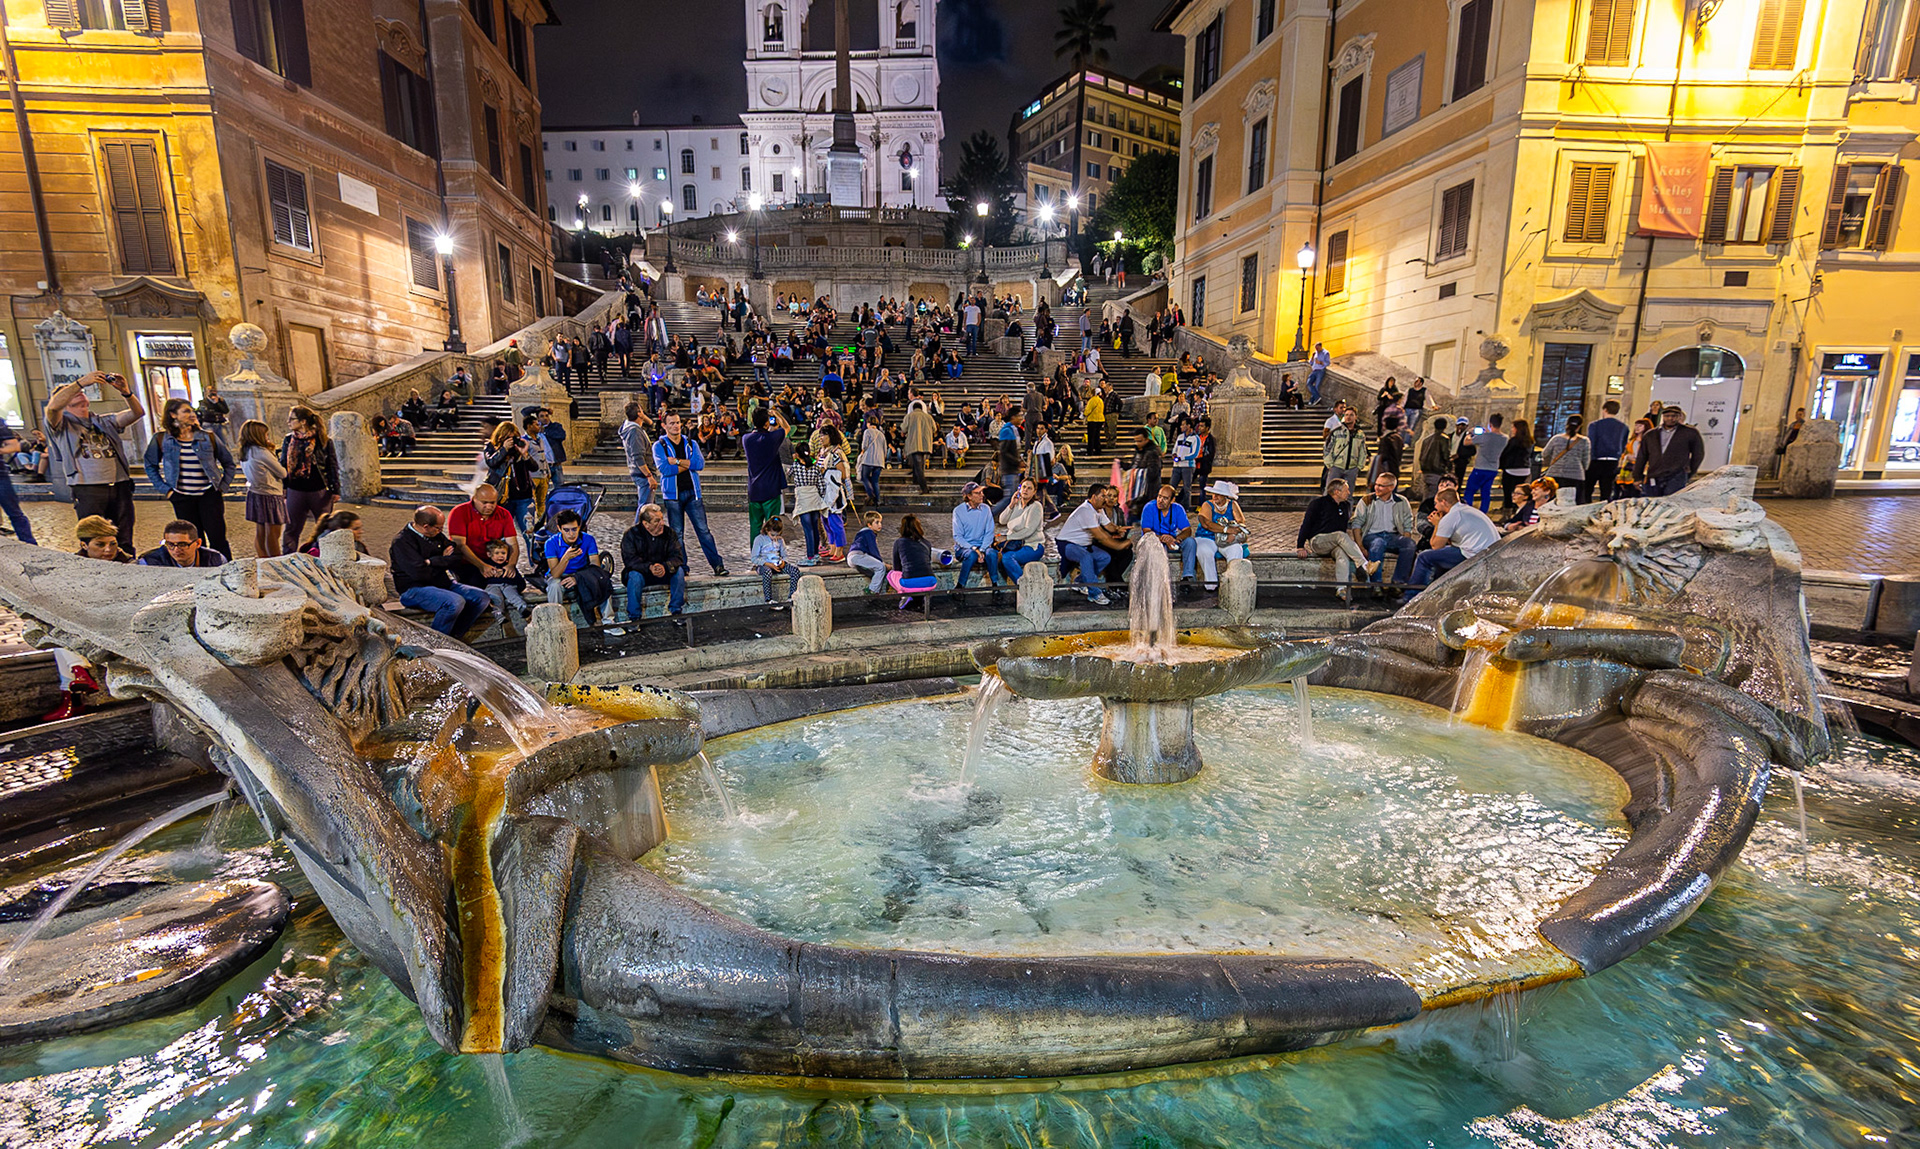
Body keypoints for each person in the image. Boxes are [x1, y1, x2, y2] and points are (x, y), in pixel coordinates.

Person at [44, 371, 143, 553]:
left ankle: (128, 567)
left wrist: (126, 392)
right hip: (88, 488)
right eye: (70, 393)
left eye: (80, 391)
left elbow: (137, 413)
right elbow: (52, 408)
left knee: (124, 536)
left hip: (119, 485)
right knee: (94, 537)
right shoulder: (61, 425)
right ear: (64, 403)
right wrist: (80, 383)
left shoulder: (104, 421)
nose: (78, 392)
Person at [135, 397, 232, 560]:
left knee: (218, 538)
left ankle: (226, 570)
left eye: (192, 410)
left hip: (209, 495)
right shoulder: (161, 439)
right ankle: (199, 571)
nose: (192, 414)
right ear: (173, 415)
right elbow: (150, 465)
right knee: (192, 540)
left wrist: (222, 487)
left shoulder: (208, 437)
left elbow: (228, 463)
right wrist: (166, 490)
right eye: (186, 411)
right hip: (182, 496)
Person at [391, 506, 491, 636]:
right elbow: (419, 573)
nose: (441, 530)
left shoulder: (435, 535)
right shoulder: (402, 542)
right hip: (414, 589)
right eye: (438, 527)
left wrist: (432, 561)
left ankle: (454, 636)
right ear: (426, 526)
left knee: (481, 597)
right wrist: (443, 560)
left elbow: (457, 556)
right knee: (454, 602)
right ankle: (437, 642)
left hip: (442, 584)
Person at [652, 412, 728, 575]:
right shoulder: (659, 445)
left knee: (704, 531)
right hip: (673, 496)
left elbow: (699, 464)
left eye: (678, 422)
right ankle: (682, 567)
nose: (675, 426)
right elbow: (664, 469)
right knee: (677, 533)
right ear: (664, 426)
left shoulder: (691, 443)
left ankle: (717, 565)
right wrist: (688, 465)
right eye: (671, 423)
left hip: (693, 493)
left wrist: (677, 461)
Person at [1297, 479, 1378, 601]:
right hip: (1318, 541)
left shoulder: (1345, 506)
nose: (1349, 493)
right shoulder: (1318, 503)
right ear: (1336, 492)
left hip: (1335, 542)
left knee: (1342, 553)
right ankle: (1364, 565)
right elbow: (1306, 524)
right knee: (1340, 535)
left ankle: (1341, 589)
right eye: (1346, 490)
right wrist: (1300, 546)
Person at [1409, 487, 1502, 592]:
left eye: (1436, 504)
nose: (1435, 507)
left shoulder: (1452, 516)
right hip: (1489, 552)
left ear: (1443, 502)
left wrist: (1437, 525)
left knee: (1424, 557)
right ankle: (1437, 592)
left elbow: (1436, 546)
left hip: (1474, 555)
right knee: (1441, 560)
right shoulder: (1465, 510)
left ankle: (1412, 595)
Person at [1057, 483, 1130, 605]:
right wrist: (1121, 545)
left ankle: (1080, 582)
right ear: (1094, 497)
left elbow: (1108, 526)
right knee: (1086, 557)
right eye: (1103, 496)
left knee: (1104, 557)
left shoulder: (1098, 510)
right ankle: (1095, 593)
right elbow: (1101, 537)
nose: (1106, 499)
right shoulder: (1086, 511)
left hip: (1084, 545)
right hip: (1068, 544)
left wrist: (1118, 529)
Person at [280, 406, 339, 555]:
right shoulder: (288, 440)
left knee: (324, 528)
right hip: (295, 489)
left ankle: (322, 556)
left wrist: (335, 489)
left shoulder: (323, 440)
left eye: (292, 419)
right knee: (291, 528)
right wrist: (284, 487)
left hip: (318, 490)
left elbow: (332, 465)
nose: (288, 422)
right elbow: (283, 465)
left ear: (303, 421)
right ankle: (288, 559)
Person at [446, 483, 521, 587]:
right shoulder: (459, 512)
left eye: (492, 503)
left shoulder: (503, 514)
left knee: (518, 583)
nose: (489, 506)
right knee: (477, 583)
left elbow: (512, 544)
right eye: (484, 503)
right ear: (474, 499)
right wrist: (481, 566)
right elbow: (460, 545)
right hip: (467, 560)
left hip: (492, 559)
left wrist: (511, 565)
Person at [546, 509, 612, 625]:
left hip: (582, 573)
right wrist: (566, 558)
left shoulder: (588, 539)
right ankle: (555, 623)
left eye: (574, 529)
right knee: (554, 585)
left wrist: (578, 578)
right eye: (566, 530)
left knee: (603, 580)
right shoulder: (551, 543)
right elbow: (555, 573)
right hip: (561, 575)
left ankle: (609, 621)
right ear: (559, 528)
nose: (571, 534)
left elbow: (595, 566)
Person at [1353, 471, 1417, 589]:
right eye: (1376, 484)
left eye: (1381, 485)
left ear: (1391, 487)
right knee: (1378, 543)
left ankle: (1398, 583)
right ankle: (1376, 584)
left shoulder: (1401, 501)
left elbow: (1408, 524)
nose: (1377, 488)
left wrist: (1405, 539)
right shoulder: (1367, 500)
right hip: (1371, 536)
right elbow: (1356, 524)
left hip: (1392, 536)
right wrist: (1360, 546)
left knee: (1410, 544)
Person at [622, 503, 686, 618]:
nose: (662, 523)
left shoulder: (669, 533)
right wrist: (649, 567)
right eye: (657, 521)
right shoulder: (631, 535)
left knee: (679, 571)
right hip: (642, 572)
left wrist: (665, 566)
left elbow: (677, 556)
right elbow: (630, 560)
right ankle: (634, 617)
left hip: (664, 571)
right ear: (646, 524)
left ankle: (676, 610)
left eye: (662, 519)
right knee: (634, 576)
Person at [741, 406, 791, 543]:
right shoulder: (772, 438)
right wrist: (777, 414)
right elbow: (787, 428)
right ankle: (771, 555)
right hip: (771, 489)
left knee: (755, 527)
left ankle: (756, 556)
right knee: (773, 527)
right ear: (767, 423)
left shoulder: (746, 439)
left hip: (754, 490)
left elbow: (755, 433)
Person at [238, 419, 287, 559]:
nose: (268, 437)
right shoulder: (261, 452)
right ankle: (275, 561)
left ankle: (263, 559)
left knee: (261, 531)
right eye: (266, 435)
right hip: (270, 494)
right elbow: (282, 473)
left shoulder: (246, 451)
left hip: (256, 493)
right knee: (273, 532)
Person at [1633, 405, 1706, 496]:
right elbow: (1642, 456)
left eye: (1674, 416)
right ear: (1663, 417)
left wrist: (1689, 472)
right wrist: (1637, 476)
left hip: (1677, 474)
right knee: (1652, 503)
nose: (1670, 418)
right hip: (1654, 473)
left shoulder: (1689, 433)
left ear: (1679, 417)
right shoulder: (1651, 434)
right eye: (1667, 416)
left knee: (1671, 502)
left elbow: (1698, 454)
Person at [1194, 480, 1249, 592]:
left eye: (1218, 494)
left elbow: (1241, 522)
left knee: (1236, 550)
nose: (1215, 496)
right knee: (1204, 551)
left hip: (1227, 538)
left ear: (1225, 496)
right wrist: (1226, 530)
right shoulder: (1207, 505)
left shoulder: (1232, 505)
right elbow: (1207, 524)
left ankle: (1233, 582)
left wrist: (1234, 533)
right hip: (1207, 537)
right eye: (1214, 494)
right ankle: (1211, 584)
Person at [1139, 484, 1198, 582]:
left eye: (1165, 498)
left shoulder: (1178, 508)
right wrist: (1163, 539)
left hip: (1172, 541)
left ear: (1172, 500)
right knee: (1152, 544)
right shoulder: (1149, 507)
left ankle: (1187, 577)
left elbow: (1187, 530)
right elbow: (1146, 531)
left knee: (1190, 542)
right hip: (1155, 540)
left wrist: (1176, 539)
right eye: (1159, 496)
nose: (1160, 500)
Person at [949, 481, 1001, 591]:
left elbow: (989, 532)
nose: (982, 495)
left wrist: (982, 550)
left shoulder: (986, 509)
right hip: (965, 548)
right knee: (971, 555)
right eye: (978, 493)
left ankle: (995, 585)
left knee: (991, 553)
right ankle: (960, 586)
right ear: (969, 496)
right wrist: (975, 549)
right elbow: (958, 536)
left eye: (982, 492)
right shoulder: (958, 511)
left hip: (983, 546)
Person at [996, 478, 1047, 583]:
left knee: (1008, 558)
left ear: (1034, 492)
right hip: (1015, 544)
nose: (1025, 490)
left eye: (1029, 488)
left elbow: (1029, 530)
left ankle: (1025, 586)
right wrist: (1011, 505)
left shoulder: (1036, 506)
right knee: (994, 556)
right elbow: (1002, 520)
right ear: (1019, 489)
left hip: (1032, 545)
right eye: (1023, 487)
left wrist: (1007, 538)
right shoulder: (1016, 504)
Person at [479, 538, 531, 634]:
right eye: (497, 553)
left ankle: (522, 608)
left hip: (508, 585)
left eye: (503, 553)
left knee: (513, 595)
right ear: (489, 554)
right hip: (492, 585)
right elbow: (480, 580)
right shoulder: (487, 565)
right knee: (496, 597)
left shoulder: (509, 566)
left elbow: (520, 582)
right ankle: (498, 614)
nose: (500, 556)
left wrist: (511, 576)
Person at [887, 513, 939, 608]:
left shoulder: (899, 542)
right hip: (931, 582)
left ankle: (905, 595)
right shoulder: (926, 543)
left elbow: (897, 567)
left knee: (891, 575)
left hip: (909, 585)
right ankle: (922, 597)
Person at [751, 514, 803, 609]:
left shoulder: (780, 540)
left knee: (795, 571)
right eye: (772, 535)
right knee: (767, 572)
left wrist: (783, 562)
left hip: (778, 564)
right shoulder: (759, 539)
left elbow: (784, 555)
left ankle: (791, 597)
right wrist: (768, 564)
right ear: (767, 530)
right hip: (764, 565)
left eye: (777, 535)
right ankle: (768, 600)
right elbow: (754, 558)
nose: (774, 537)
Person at [1586, 400, 1630, 503]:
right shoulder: (1623, 427)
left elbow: (1591, 443)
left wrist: (1590, 459)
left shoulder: (1595, 425)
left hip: (1596, 459)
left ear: (1604, 410)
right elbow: (1624, 444)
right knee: (1606, 490)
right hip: (1613, 460)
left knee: (1588, 489)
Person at [136, 519, 228, 567]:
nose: (176, 550)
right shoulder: (149, 563)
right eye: (170, 544)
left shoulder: (217, 560)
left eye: (182, 544)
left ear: (198, 543)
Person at [1463, 413, 1507, 512]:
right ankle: (1483, 512)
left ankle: (1467, 511)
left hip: (1480, 468)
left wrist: (1469, 433)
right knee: (1486, 493)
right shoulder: (1505, 438)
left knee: (1469, 491)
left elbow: (1466, 442)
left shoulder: (1485, 436)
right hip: (1493, 469)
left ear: (1490, 424)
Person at [1541, 415, 1590, 498]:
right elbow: (1586, 462)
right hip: (1576, 475)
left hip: (1555, 473)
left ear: (1566, 425)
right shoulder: (1584, 441)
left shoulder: (1556, 439)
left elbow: (1544, 453)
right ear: (1579, 427)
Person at [1324, 410, 1369, 492]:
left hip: (1352, 468)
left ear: (1356, 417)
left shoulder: (1360, 434)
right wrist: (1330, 464)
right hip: (1336, 466)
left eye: (1351, 415)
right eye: (1346, 415)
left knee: (1348, 494)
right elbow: (1328, 448)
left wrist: (1359, 466)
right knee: (1330, 493)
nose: (1348, 417)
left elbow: (1363, 451)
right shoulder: (1336, 431)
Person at [847, 510, 890, 593]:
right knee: (880, 567)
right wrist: (882, 563)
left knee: (877, 567)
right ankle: (872, 590)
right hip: (858, 556)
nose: (880, 525)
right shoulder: (869, 533)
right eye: (877, 523)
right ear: (869, 525)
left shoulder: (864, 533)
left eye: (880, 522)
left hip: (854, 557)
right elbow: (873, 550)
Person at [1499, 418, 1534, 510]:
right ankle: (1519, 509)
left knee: (1509, 493)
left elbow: (1505, 454)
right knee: (1520, 493)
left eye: (1513, 427)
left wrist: (1501, 466)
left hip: (1512, 470)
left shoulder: (1514, 441)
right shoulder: (1530, 441)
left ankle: (1508, 510)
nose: (1512, 429)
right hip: (1525, 470)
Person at [1417, 416, 1454, 500]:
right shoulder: (1443, 439)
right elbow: (1445, 455)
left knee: (1426, 495)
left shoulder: (1427, 440)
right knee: (1434, 497)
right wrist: (1450, 468)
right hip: (1437, 470)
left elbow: (1421, 455)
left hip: (1426, 471)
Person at [1084, 385, 1106, 454]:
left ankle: (1090, 451)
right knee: (1097, 436)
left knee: (1091, 437)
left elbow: (1088, 410)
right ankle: (1098, 450)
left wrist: (1084, 414)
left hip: (1093, 420)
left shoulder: (1092, 400)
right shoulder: (1100, 400)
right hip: (1100, 420)